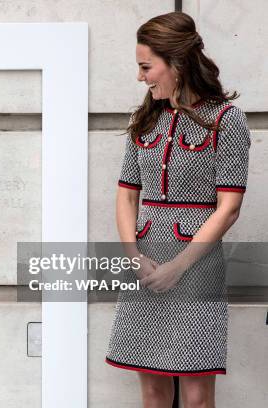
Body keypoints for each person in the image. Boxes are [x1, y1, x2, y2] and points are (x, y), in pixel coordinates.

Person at [105, 12, 251, 408]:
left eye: (146, 66)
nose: (141, 77)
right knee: (151, 389)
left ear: (178, 63)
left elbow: (230, 207)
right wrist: (134, 256)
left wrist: (180, 265)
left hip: (197, 267)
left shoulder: (227, 121)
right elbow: (126, 196)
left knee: (196, 393)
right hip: (145, 263)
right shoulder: (144, 119)